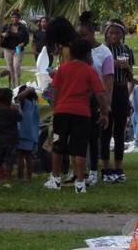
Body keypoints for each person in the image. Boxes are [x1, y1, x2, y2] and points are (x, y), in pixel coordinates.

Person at [43, 38, 109, 193]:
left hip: (61, 113)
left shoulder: (62, 69)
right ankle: (80, 183)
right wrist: (104, 113)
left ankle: (56, 179)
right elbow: (100, 94)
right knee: (79, 148)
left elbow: (54, 92)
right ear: (87, 55)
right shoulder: (89, 71)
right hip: (82, 114)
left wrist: (55, 107)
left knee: (57, 145)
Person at [77, 11, 114, 184]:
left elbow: (108, 82)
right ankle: (79, 170)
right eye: (79, 35)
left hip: (96, 101)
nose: (82, 38)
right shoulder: (77, 51)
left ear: (92, 33)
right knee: (79, 137)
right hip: (80, 100)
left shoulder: (104, 53)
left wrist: (106, 105)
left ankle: (93, 170)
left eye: (84, 35)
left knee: (94, 137)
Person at [101, 19, 133, 183]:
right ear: (106, 34)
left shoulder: (126, 50)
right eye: (111, 33)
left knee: (119, 132)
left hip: (121, 90)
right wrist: (113, 63)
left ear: (122, 35)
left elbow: (131, 77)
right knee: (105, 131)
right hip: (106, 91)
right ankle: (105, 168)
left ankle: (118, 167)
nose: (114, 36)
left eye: (117, 33)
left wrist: (127, 68)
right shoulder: (102, 50)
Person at [0, 88, 22, 180]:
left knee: (0, 158)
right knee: (9, 159)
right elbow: (20, 118)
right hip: (12, 138)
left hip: (1, 138)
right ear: (10, 99)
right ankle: (8, 176)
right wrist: (17, 109)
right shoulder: (13, 111)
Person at [16, 85, 40, 181]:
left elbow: (19, 97)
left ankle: (20, 176)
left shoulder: (24, 103)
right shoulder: (35, 104)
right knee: (29, 157)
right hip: (32, 134)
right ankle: (29, 177)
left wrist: (28, 90)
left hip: (23, 133)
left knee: (21, 156)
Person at [0, 11, 30, 88]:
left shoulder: (23, 27)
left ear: (19, 18)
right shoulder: (7, 26)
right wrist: (3, 34)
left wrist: (22, 44)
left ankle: (18, 84)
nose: (14, 19)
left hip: (17, 49)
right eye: (13, 17)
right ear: (11, 18)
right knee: (10, 68)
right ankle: (13, 86)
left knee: (16, 66)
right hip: (8, 49)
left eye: (16, 17)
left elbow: (26, 39)